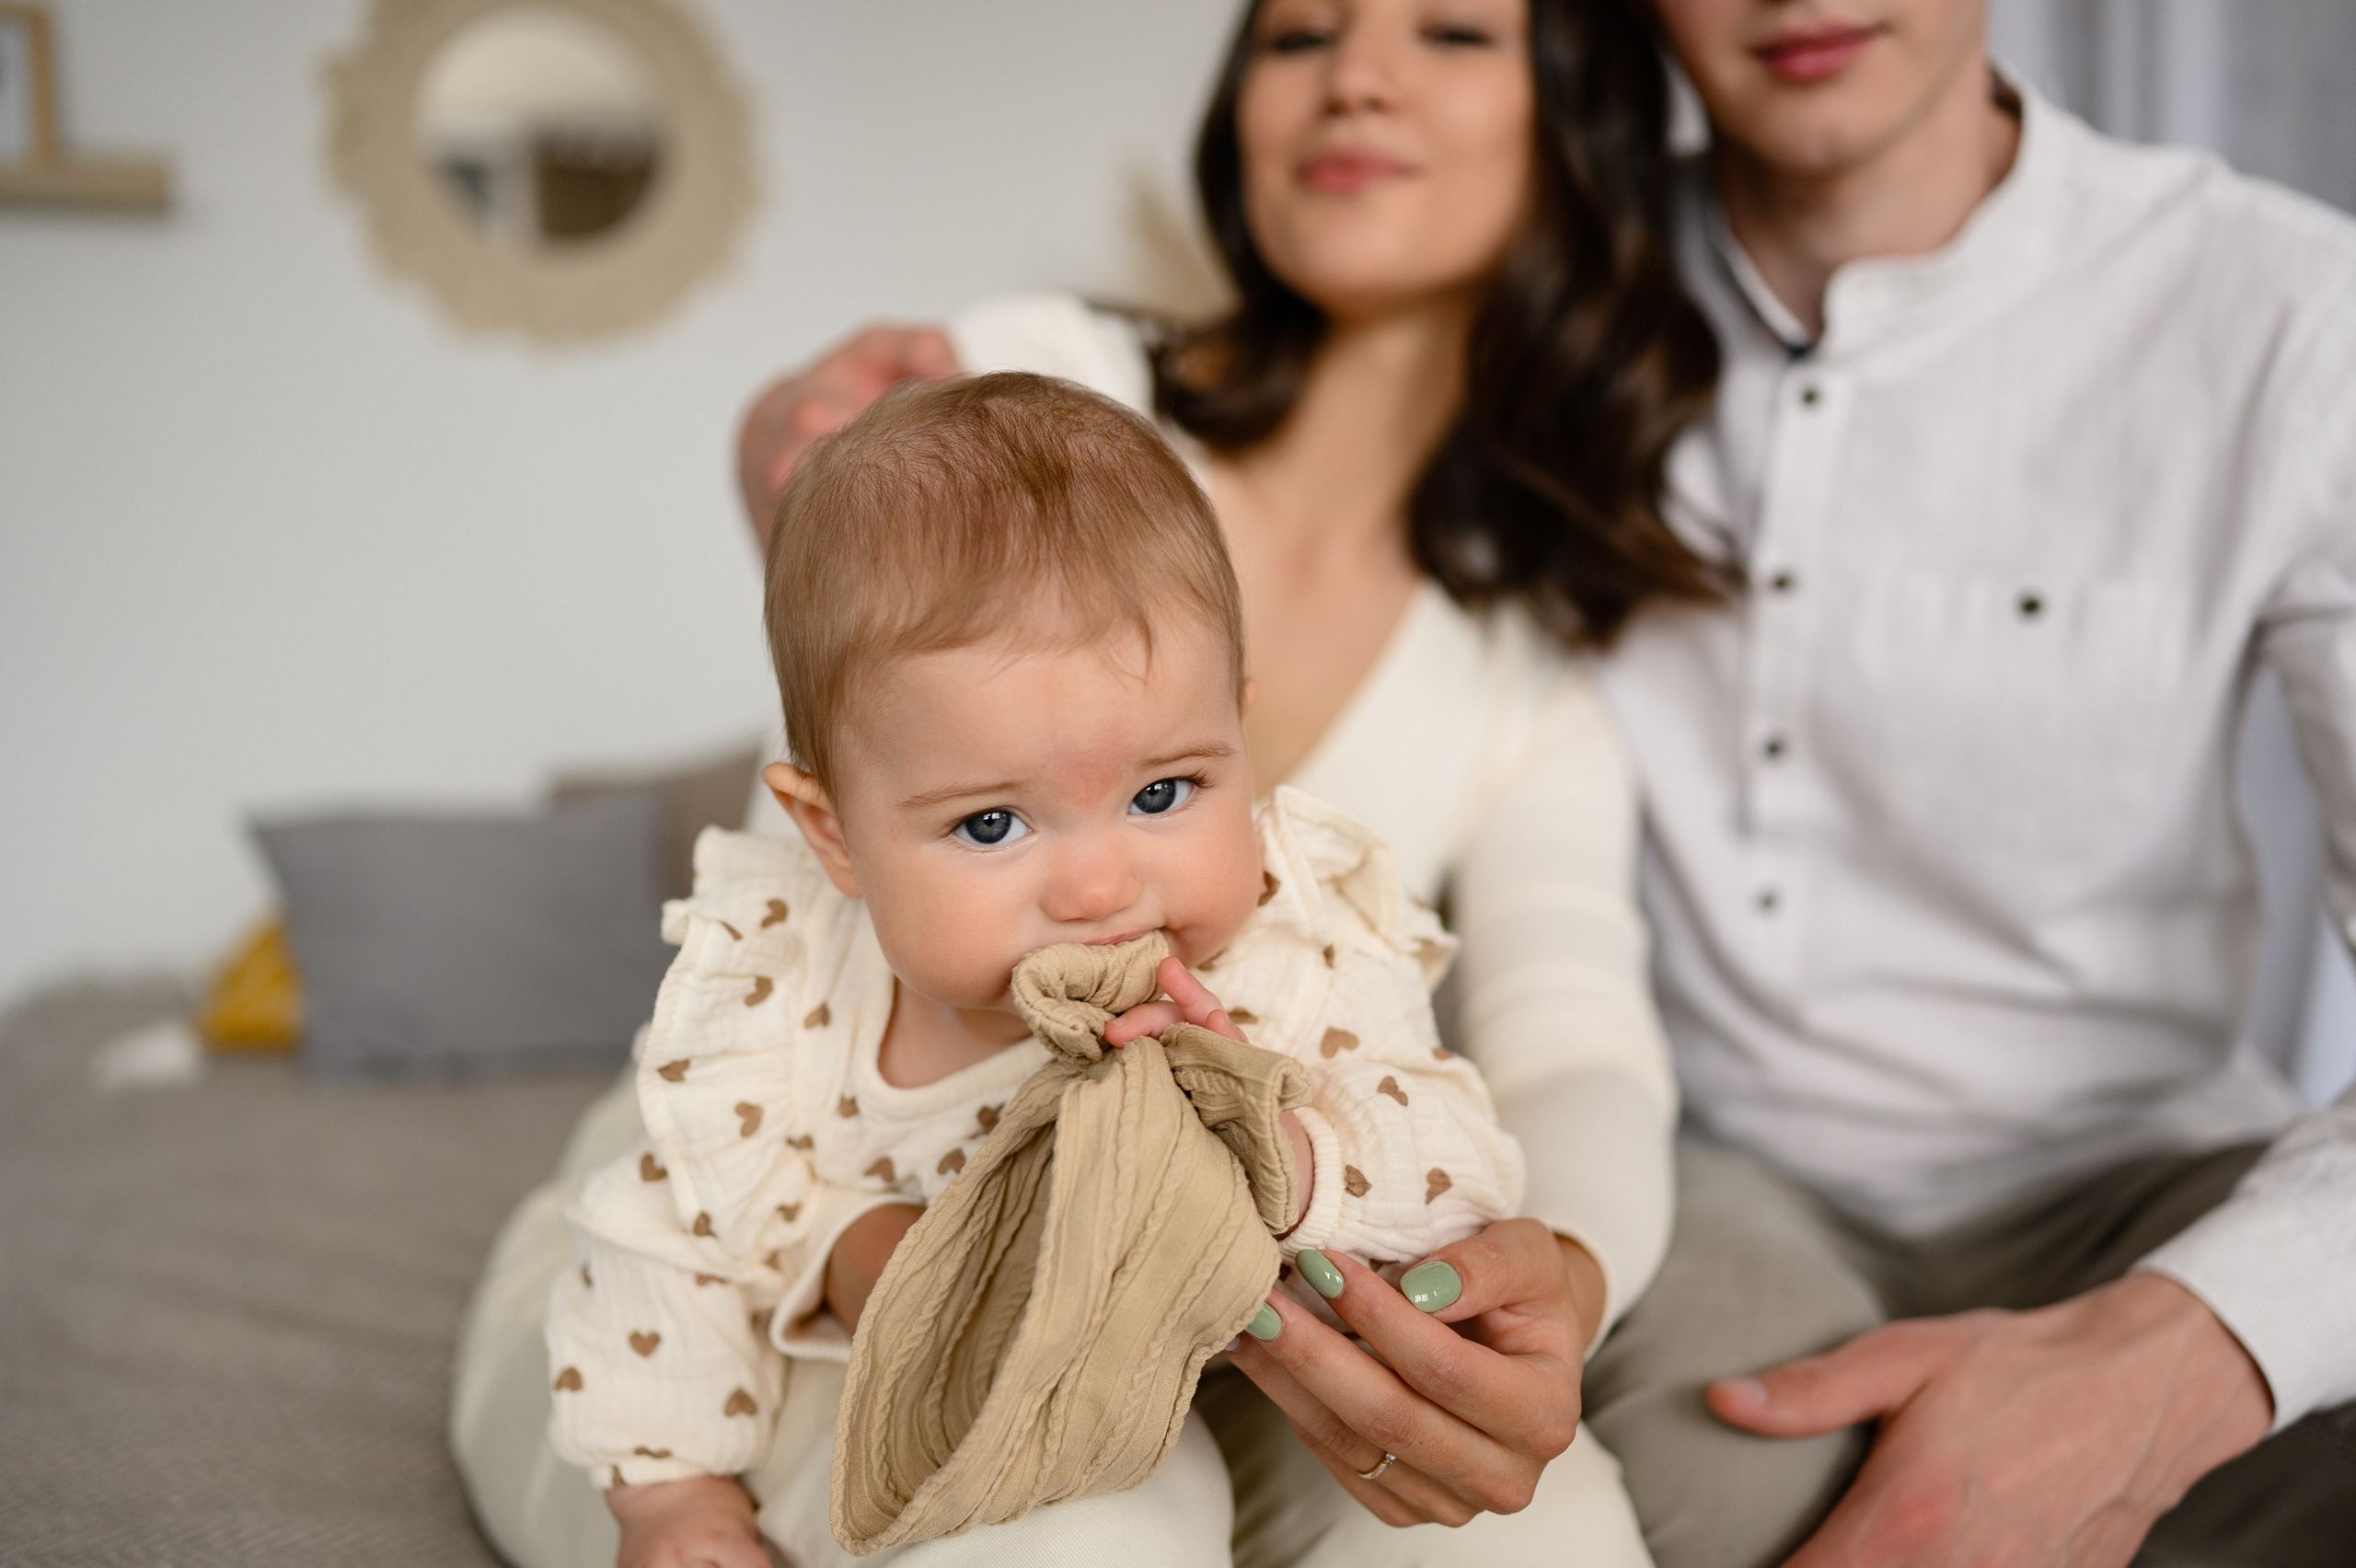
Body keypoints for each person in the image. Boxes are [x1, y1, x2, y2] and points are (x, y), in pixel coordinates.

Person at [454, 4, 1721, 1563]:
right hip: (787, 1204)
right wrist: (778, 443)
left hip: (1206, 1309)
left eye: (1452, 30)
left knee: (1522, 1535)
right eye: (1299, 34)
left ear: (1578, 132)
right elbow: (830, 489)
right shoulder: (1040, 385)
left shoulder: (1525, 664)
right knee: (1079, 1525)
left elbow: (1574, 1048)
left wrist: (1560, 1282)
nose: (1356, 76)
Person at [544, 372, 1636, 1567]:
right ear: (833, 836)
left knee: (1539, 1532)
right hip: (917, 1393)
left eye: (1163, 794)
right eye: (992, 825)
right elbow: (667, 1247)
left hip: (1243, 1379)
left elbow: (1457, 1158)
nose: (1102, 889)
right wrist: (670, 1494)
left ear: (1240, 738)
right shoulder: (789, 996)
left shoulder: (1291, 949)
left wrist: (1295, 1157)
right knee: (1077, 1530)